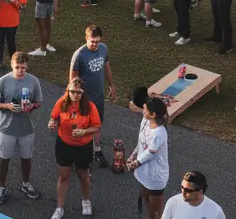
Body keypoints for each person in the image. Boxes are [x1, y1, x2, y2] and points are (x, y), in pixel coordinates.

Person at [0, 51, 43, 204]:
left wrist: (32, 106)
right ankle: (1, 187)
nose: (20, 71)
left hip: (26, 128)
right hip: (6, 128)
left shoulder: (33, 81)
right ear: (12, 65)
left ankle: (26, 184)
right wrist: (7, 106)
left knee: (26, 159)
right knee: (3, 160)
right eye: (17, 67)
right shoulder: (3, 81)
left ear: (27, 66)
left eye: (23, 68)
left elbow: (39, 102)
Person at [48, 77, 100, 219]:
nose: (75, 95)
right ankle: (59, 208)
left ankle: (86, 201)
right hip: (64, 144)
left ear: (83, 93)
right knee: (63, 176)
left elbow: (97, 127)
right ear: (68, 91)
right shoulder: (61, 102)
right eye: (72, 92)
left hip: (83, 146)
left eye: (78, 92)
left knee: (83, 175)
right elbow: (53, 117)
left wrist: (84, 131)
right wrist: (52, 123)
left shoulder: (90, 107)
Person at [70, 24, 116, 168]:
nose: (95, 44)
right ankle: (78, 154)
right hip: (84, 98)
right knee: (81, 125)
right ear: (86, 38)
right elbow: (72, 80)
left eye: (97, 41)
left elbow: (106, 66)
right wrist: (74, 100)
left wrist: (111, 84)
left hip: (99, 96)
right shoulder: (79, 55)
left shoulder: (103, 49)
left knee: (97, 125)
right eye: (92, 41)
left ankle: (97, 150)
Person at [127, 96, 169, 219]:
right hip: (144, 172)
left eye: (145, 109)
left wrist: (135, 163)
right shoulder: (145, 121)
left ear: (153, 114)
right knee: (146, 199)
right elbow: (141, 141)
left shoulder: (159, 133)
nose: (142, 111)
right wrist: (132, 155)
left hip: (155, 176)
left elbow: (151, 152)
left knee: (157, 211)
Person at [161, 171, 226, 219]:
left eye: (188, 190)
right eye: (182, 187)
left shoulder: (215, 211)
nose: (183, 192)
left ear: (200, 192)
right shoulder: (173, 202)